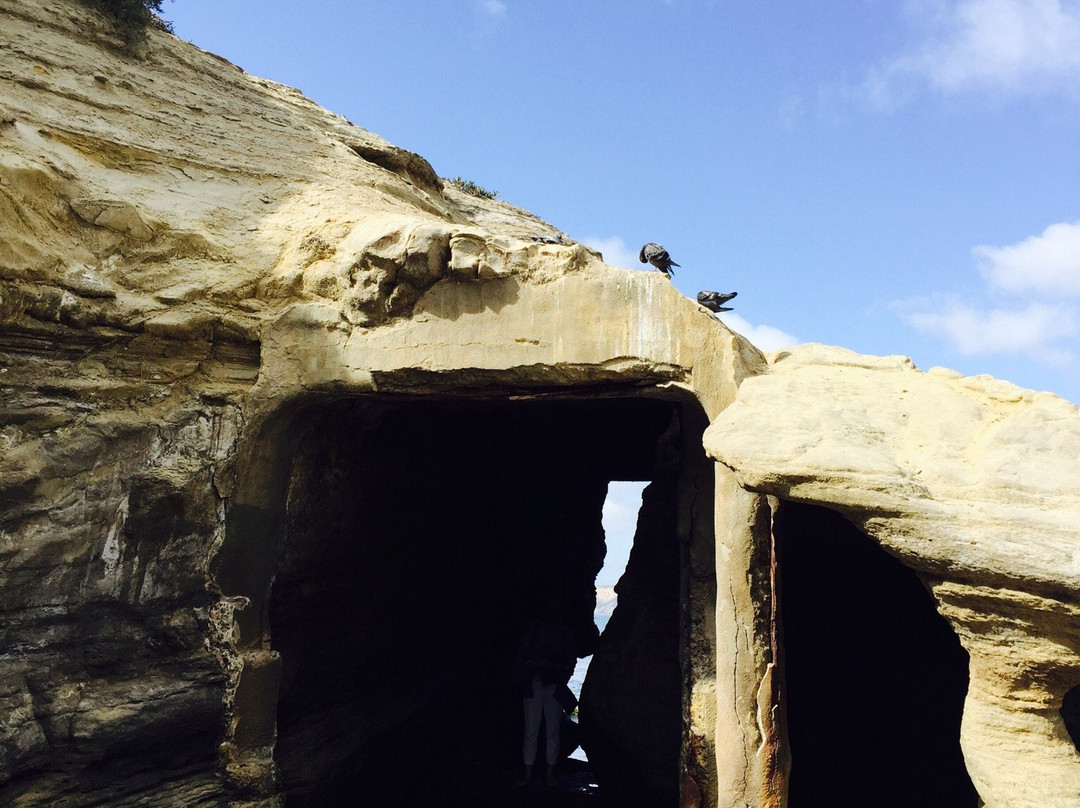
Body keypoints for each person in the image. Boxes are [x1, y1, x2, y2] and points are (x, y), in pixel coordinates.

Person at [514, 601, 576, 787]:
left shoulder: (556, 632)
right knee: (539, 730)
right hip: (539, 682)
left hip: (551, 683)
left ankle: (539, 774)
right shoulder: (547, 631)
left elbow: (569, 660)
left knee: (544, 730)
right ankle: (542, 774)